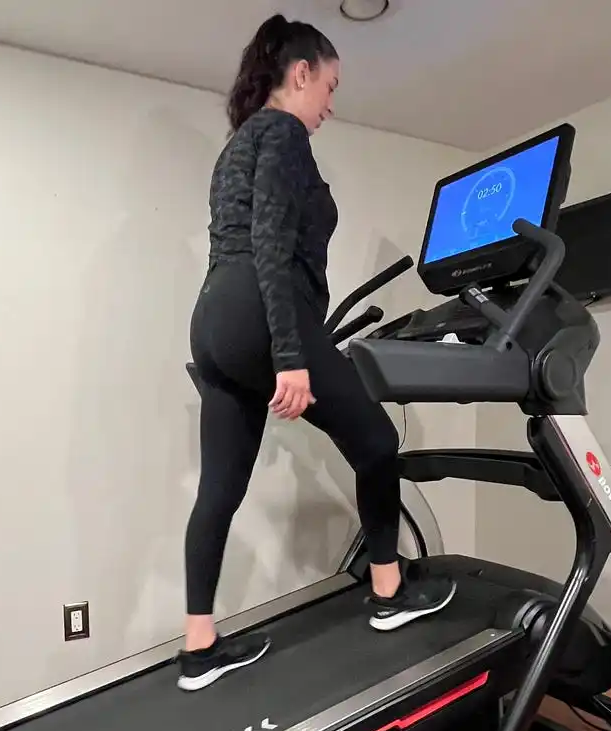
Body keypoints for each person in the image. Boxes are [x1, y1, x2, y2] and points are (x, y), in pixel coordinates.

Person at [178, 13, 455, 692]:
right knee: (378, 443)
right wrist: (291, 354)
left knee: (220, 487)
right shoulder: (282, 132)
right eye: (329, 85)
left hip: (213, 320)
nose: (331, 102)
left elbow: (250, 242)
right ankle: (388, 593)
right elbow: (271, 245)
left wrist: (268, 345)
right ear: (300, 73)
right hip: (262, 312)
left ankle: (198, 648)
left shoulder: (237, 144)